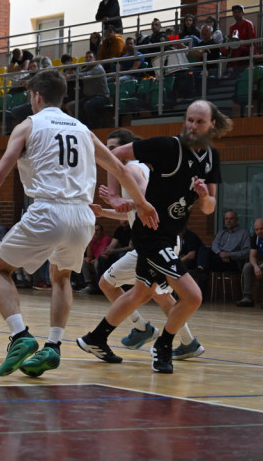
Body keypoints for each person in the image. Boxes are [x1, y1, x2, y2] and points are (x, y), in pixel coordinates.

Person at [0, 70, 158, 379]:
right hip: (83, 217)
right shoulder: (84, 129)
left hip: (48, 211)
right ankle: (54, 346)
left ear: (37, 97)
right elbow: (118, 168)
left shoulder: (28, 126)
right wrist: (141, 203)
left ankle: (19, 336)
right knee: (61, 276)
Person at [78, 100, 229, 374]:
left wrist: (205, 195)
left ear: (212, 125)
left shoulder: (211, 158)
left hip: (170, 236)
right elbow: (117, 156)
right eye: (189, 120)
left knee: (141, 293)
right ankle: (164, 345)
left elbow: (209, 209)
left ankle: (96, 338)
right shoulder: (168, 147)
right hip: (151, 235)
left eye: (200, 122)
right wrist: (112, 195)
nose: (193, 126)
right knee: (192, 297)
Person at [91, 129, 205, 360]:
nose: (110, 152)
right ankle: (185, 341)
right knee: (157, 294)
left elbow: (147, 205)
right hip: (155, 240)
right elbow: (134, 213)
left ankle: (144, 329)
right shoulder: (140, 169)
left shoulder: (131, 169)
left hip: (156, 241)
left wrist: (122, 201)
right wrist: (107, 211)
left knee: (113, 284)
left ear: (126, 148)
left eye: (113, 148)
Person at [197, 210, 250, 279]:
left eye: (231, 219)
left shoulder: (243, 233)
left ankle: (200, 272)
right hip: (219, 258)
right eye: (226, 219)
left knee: (205, 263)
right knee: (203, 249)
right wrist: (220, 253)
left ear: (236, 220)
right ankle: (201, 270)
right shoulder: (222, 232)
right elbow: (214, 245)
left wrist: (230, 254)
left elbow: (247, 252)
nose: (228, 221)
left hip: (232, 261)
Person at [75, 223, 110, 293]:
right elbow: (89, 256)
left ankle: (100, 286)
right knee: (84, 262)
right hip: (95, 262)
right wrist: (89, 242)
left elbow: (102, 256)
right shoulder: (93, 241)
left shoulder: (106, 239)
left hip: (106, 263)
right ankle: (89, 286)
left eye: (97, 230)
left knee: (97, 262)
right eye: (93, 231)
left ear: (102, 232)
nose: (95, 233)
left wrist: (91, 260)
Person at [225, 5, 256, 76]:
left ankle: (232, 69)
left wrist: (240, 43)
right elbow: (230, 40)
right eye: (235, 12)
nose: (236, 14)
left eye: (239, 12)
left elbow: (252, 42)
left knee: (237, 48)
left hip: (248, 48)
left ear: (243, 13)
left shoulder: (249, 24)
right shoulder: (232, 27)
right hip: (236, 48)